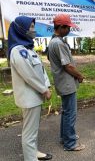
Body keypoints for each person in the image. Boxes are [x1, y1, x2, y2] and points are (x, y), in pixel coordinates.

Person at [8, 16, 52, 161]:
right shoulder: (18, 51)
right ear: (21, 29)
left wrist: (47, 85)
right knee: (29, 131)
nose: (33, 30)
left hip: (35, 96)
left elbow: (41, 70)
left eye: (33, 26)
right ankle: (30, 158)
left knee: (33, 129)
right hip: (29, 98)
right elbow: (29, 75)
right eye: (31, 27)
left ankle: (33, 152)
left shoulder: (29, 48)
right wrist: (43, 89)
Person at [48, 14, 85, 151]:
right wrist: (80, 76)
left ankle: (65, 137)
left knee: (66, 112)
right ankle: (70, 143)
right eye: (68, 27)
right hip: (66, 83)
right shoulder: (58, 43)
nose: (69, 30)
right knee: (70, 113)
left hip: (62, 83)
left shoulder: (54, 41)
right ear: (61, 27)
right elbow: (67, 66)